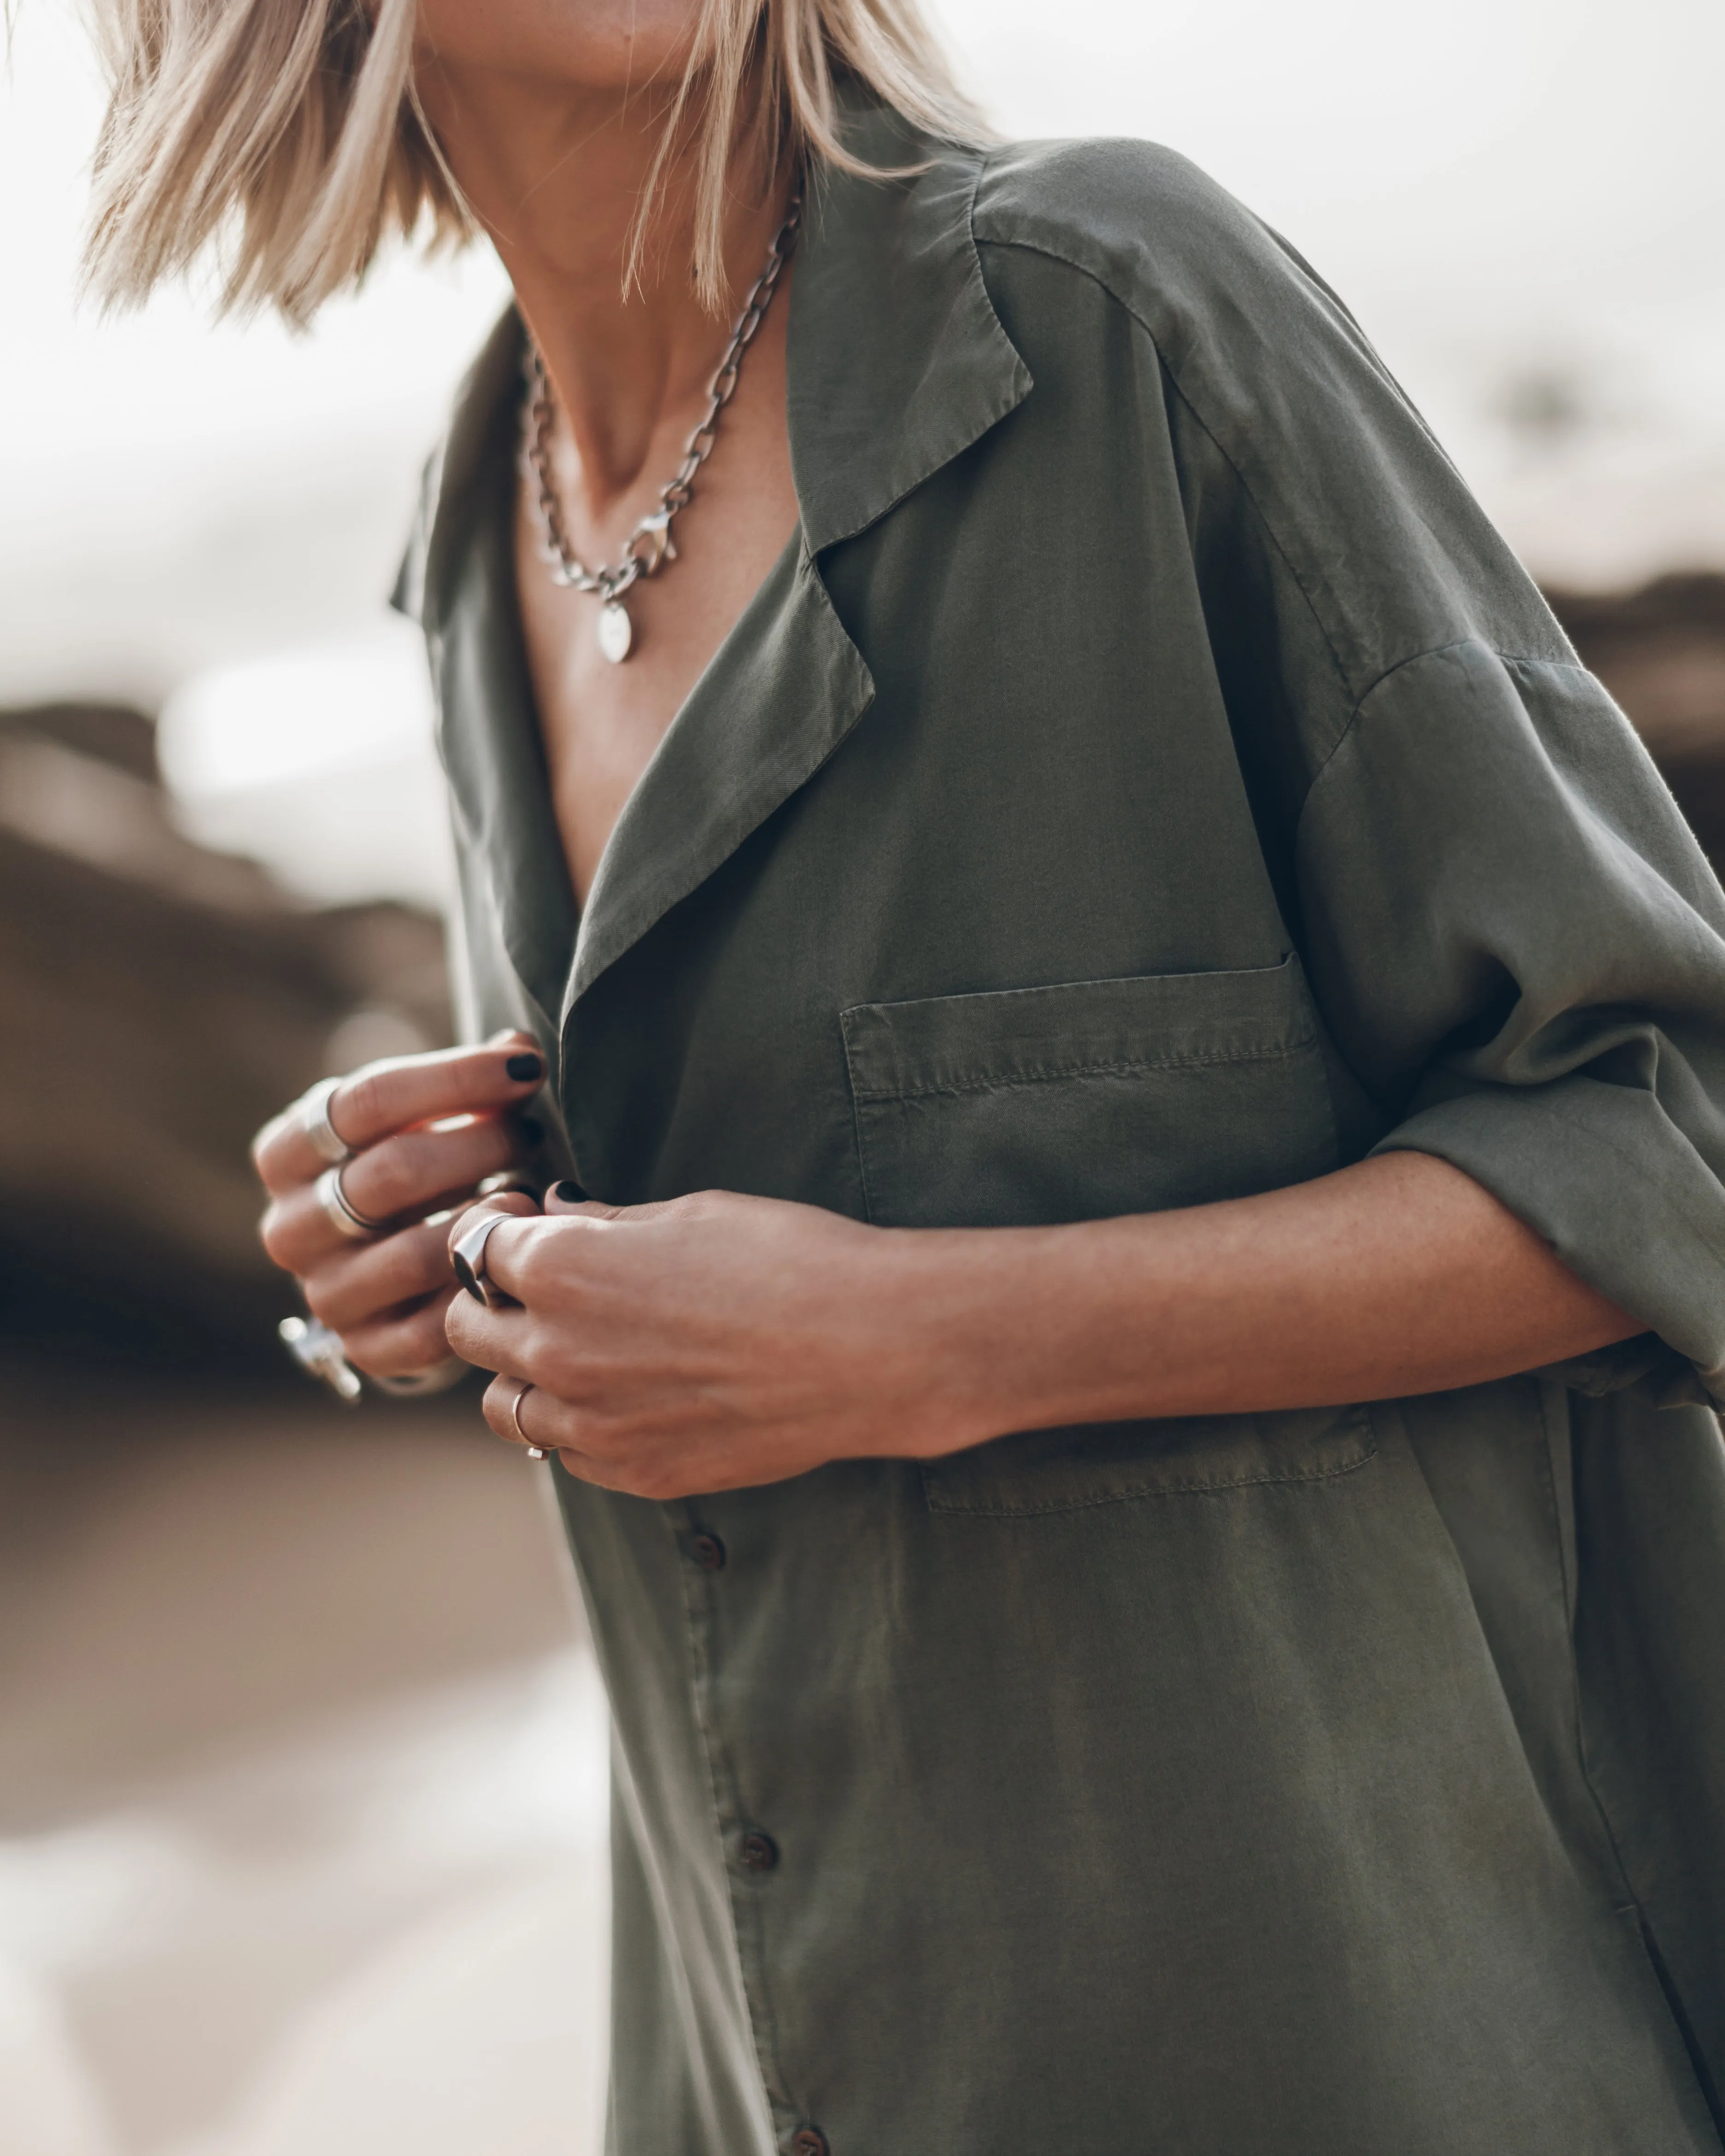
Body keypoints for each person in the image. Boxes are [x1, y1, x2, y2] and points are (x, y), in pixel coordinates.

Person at [89, 1, 1725, 2149]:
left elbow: (1668, 1131)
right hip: (785, 2057)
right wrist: (421, 1274)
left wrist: (927, 1340)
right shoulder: (470, 543)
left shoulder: (1113, 311)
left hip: (1373, 2039)